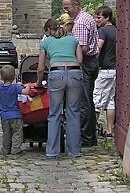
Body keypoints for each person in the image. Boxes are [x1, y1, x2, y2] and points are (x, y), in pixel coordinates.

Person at [35, 17, 83, 159]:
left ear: (50, 30)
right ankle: (75, 151)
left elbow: (40, 67)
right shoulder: (73, 40)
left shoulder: (46, 42)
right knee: (73, 112)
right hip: (74, 72)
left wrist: (38, 82)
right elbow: (80, 60)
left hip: (56, 73)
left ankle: (52, 151)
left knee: (54, 113)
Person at [62, 0, 100, 147]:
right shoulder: (86, 18)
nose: (65, 11)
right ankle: (90, 136)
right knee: (88, 100)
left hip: (84, 63)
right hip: (91, 62)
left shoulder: (80, 23)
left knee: (83, 101)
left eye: (67, 8)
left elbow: (82, 48)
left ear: (76, 5)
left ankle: (85, 137)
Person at [94, 5, 117, 138]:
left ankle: (92, 130)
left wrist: (93, 60)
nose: (96, 20)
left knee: (96, 100)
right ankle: (109, 130)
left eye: (99, 17)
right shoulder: (116, 30)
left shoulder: (102, 31)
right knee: (110, 101)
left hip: (103, 70)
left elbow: (99, 47)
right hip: (114, 69)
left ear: (106, 17)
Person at [0, 64, 30, 155]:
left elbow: (9, 86)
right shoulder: (15, 88)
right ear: (14, 77)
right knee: (17, 133)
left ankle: (5, 149)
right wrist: (27, 85)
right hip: (15, 115)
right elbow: (26, 92)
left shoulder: (1, 87)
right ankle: (15, 149)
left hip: (4, 116)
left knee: (6, 134)